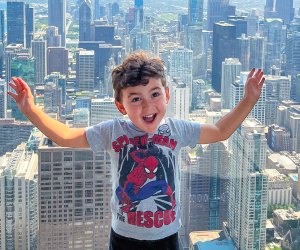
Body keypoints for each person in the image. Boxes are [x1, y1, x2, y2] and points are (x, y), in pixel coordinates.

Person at [8, 51, 265, 250]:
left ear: (167, 95)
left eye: (154, 94)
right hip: (124, 237)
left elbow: (220, 131)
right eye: (135, 99)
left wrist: (249, 99)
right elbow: (65, 136)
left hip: (167, 236)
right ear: (121, 106)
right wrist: (31, 109)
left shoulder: (177, 130)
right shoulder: (113, 131)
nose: (147, 105)